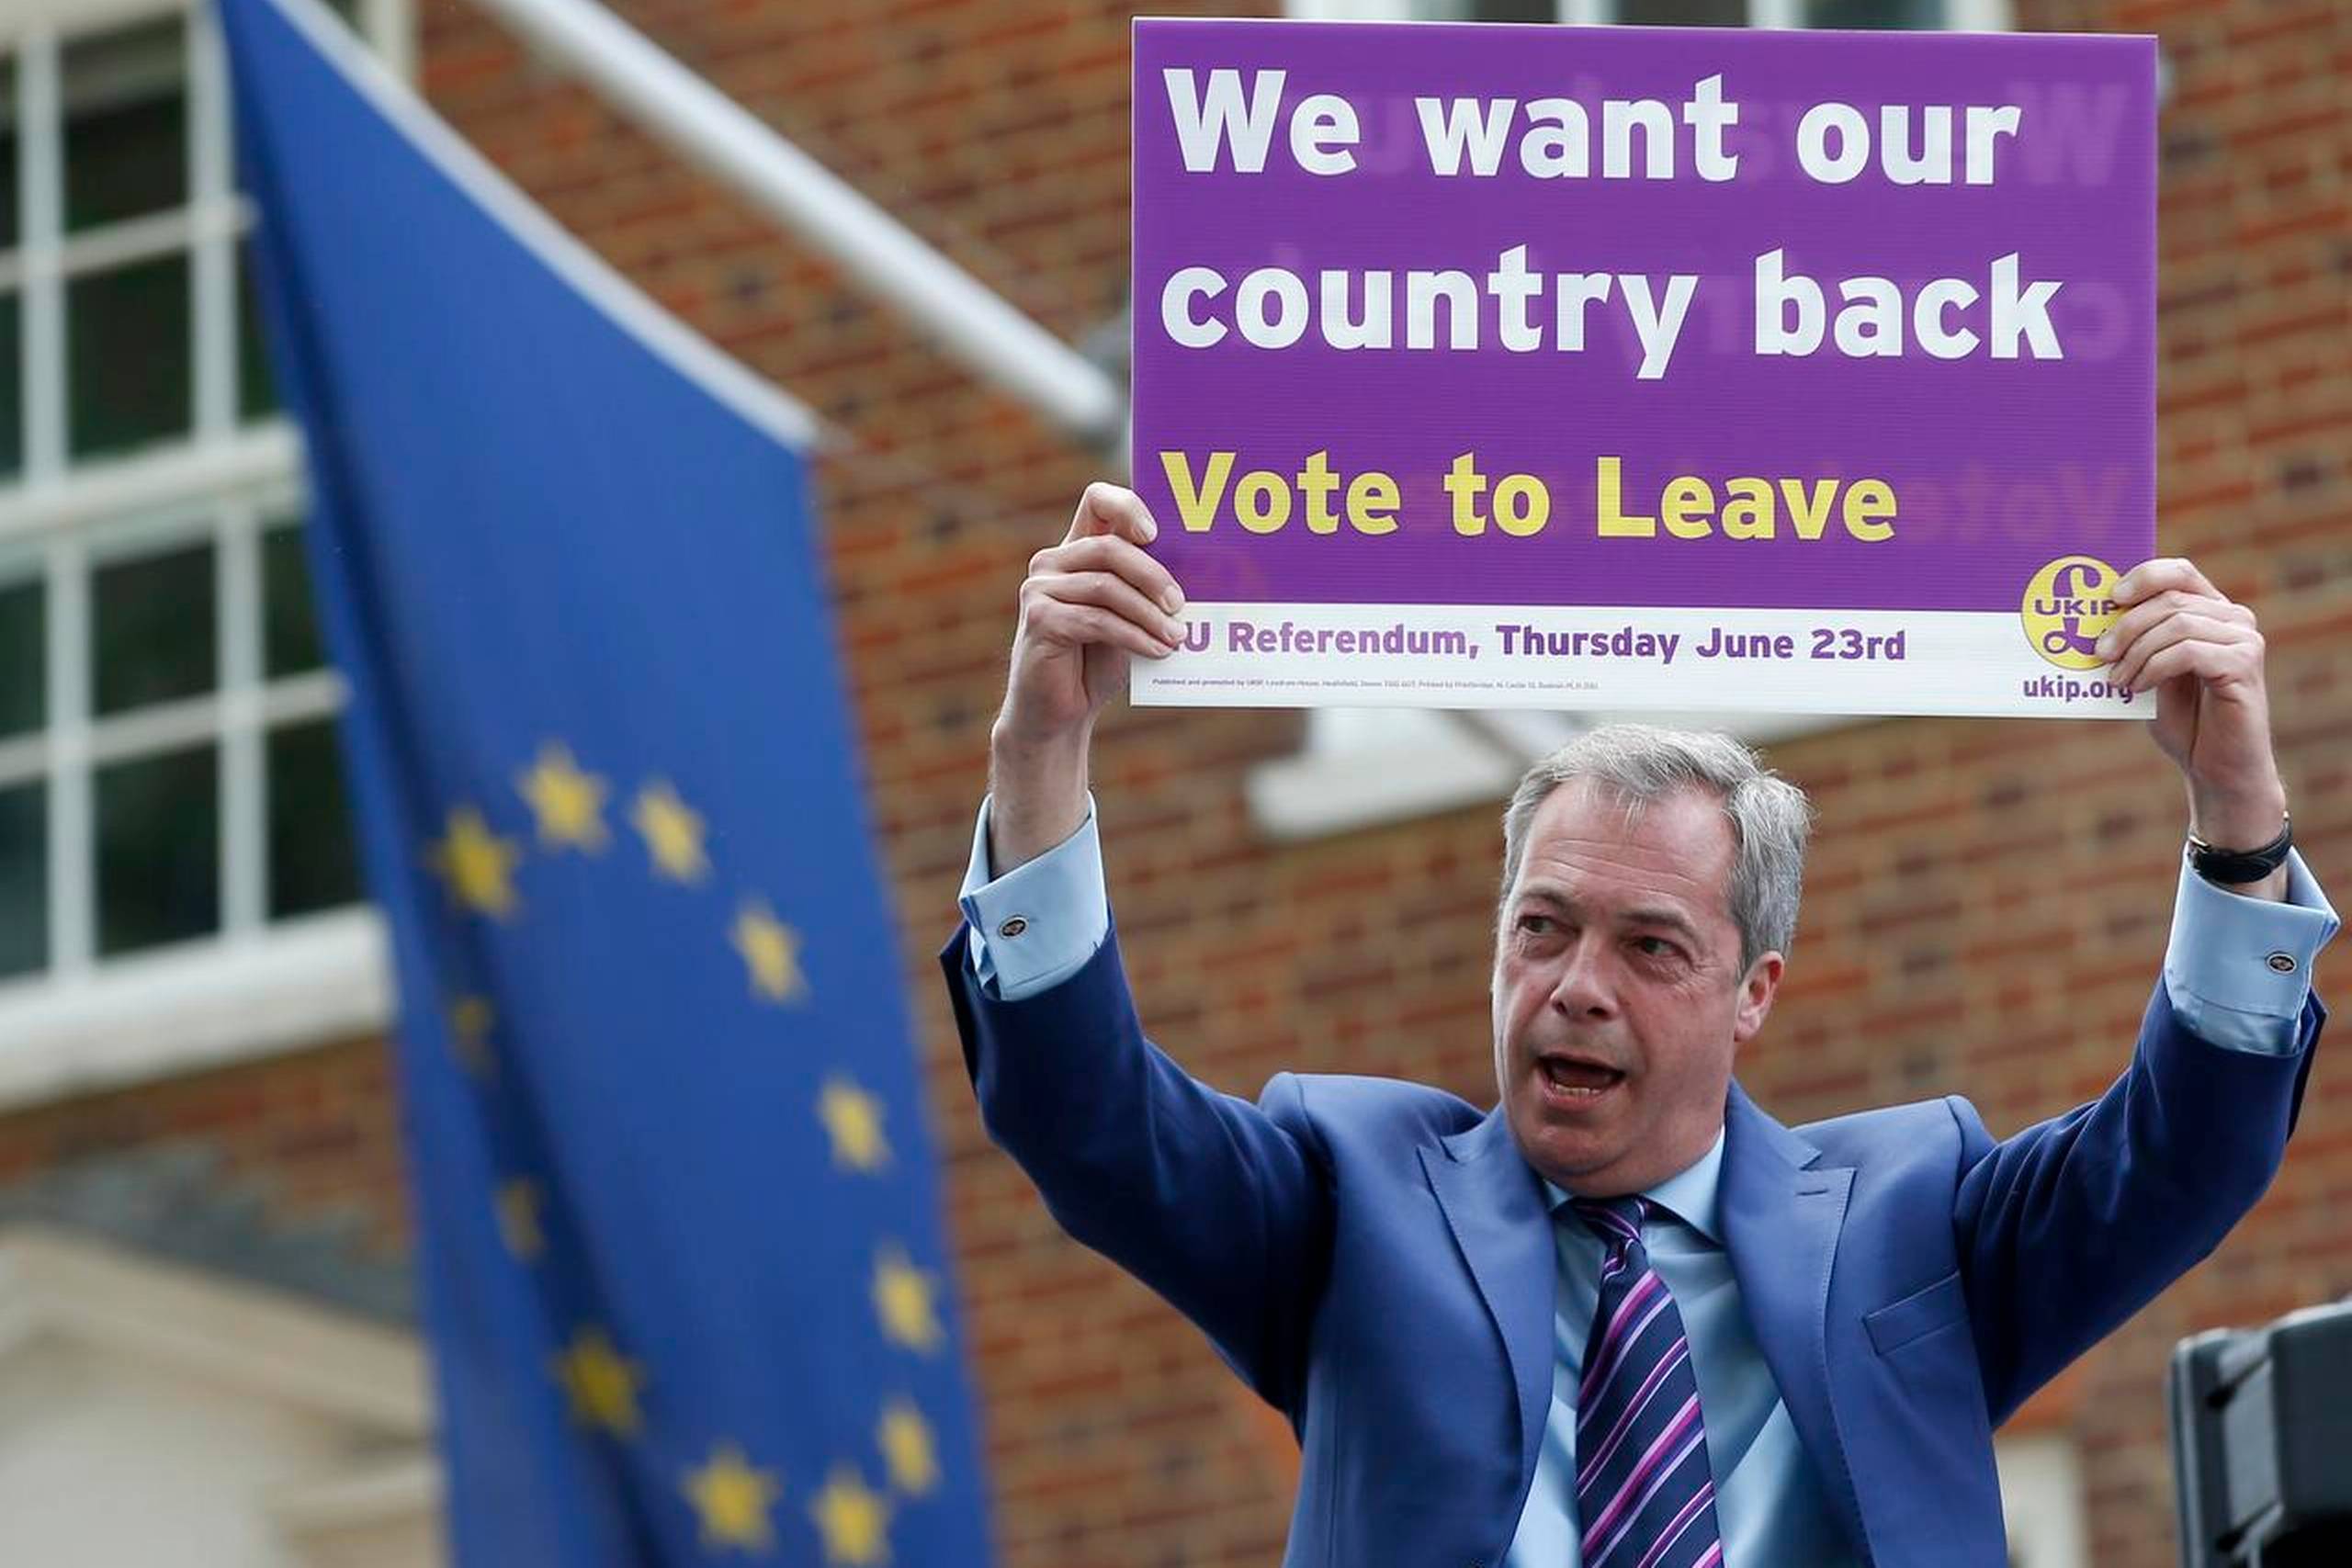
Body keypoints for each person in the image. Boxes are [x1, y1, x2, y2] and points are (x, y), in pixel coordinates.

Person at [939, 482, 2337, 1567]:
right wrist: (1038, 750)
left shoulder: (1921, 1215)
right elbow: (1087, 1118)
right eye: (1542, 928)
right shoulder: (1342, 1189)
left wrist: (2236, 822)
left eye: (1650, 945)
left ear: (1755, 993)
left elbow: (2188, 1157)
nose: (1577, 985)